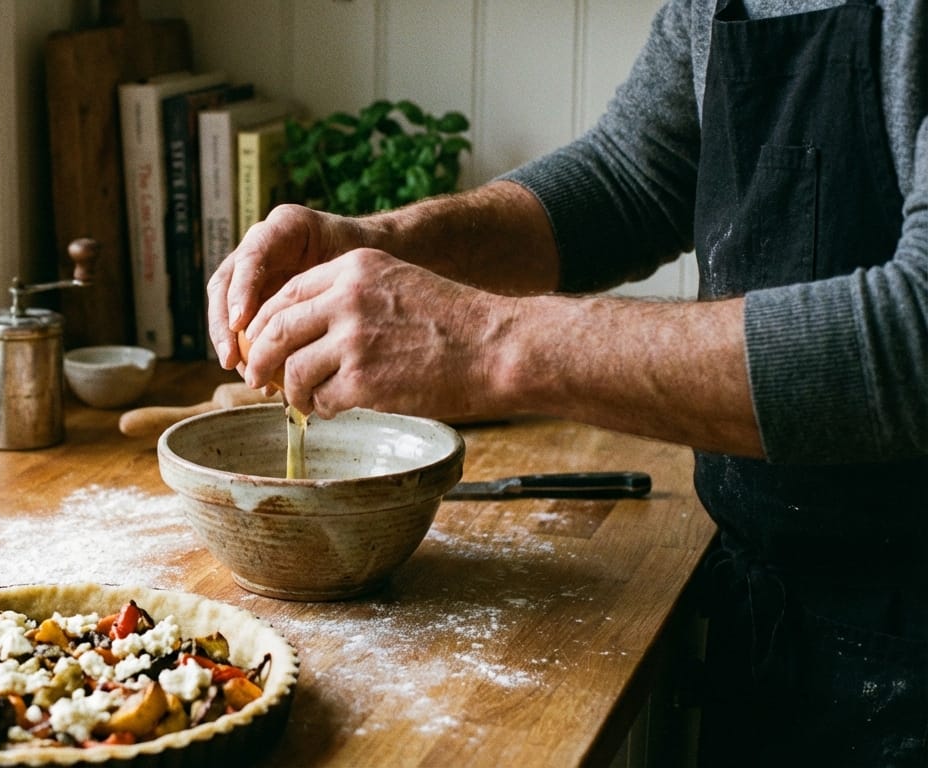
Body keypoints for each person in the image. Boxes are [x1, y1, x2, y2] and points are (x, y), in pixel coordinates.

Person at [207, 0, 928, 765]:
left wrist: (487, 343)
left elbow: (915, 338)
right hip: (779, 618)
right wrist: (383, 241)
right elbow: (630, 177)